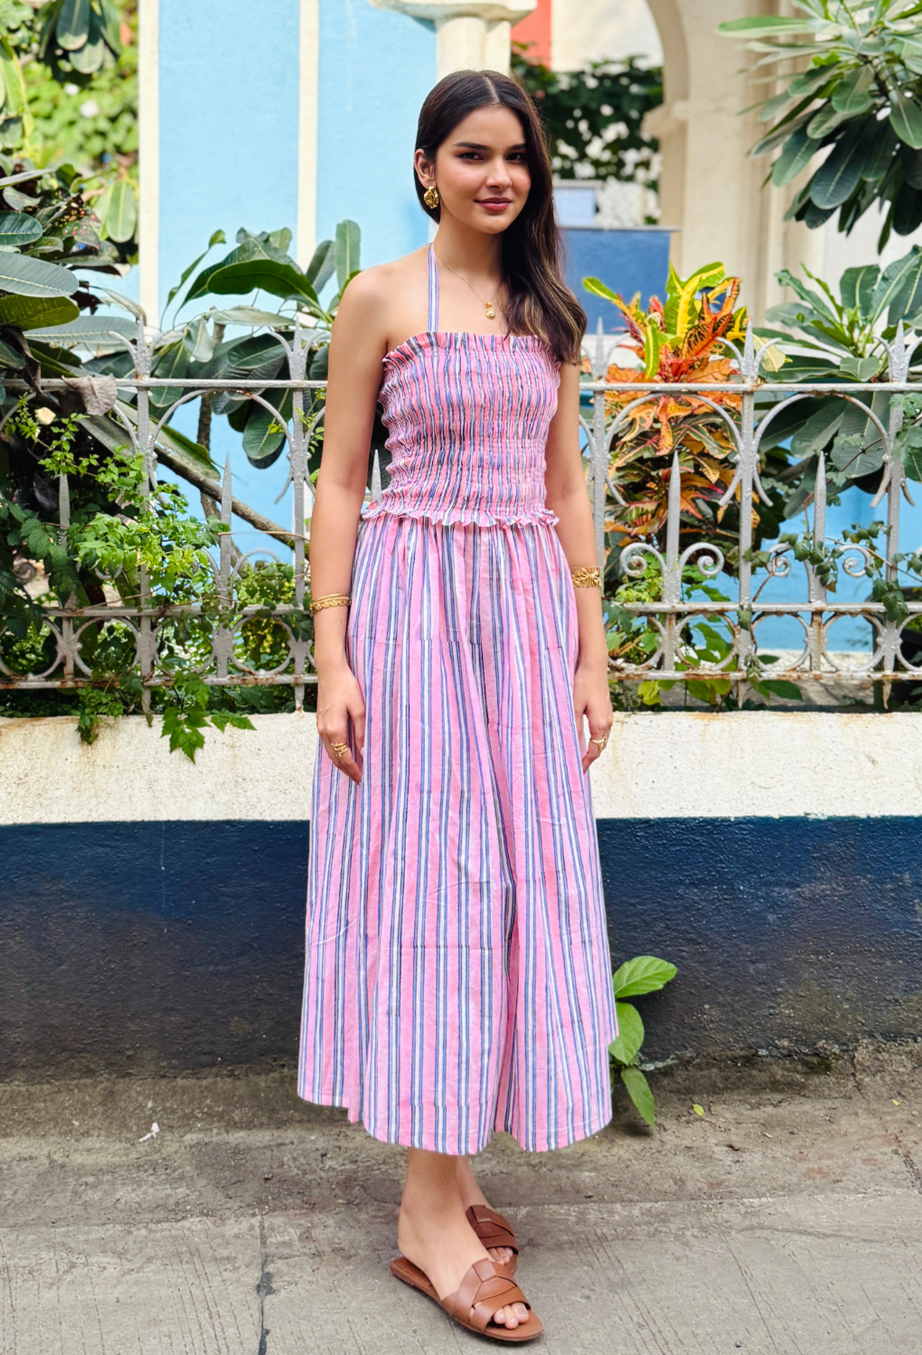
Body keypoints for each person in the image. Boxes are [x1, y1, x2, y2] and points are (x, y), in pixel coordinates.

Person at [298, 68, 617, 1344]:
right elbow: (335, 482)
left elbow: (567, 488)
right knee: (436, 884)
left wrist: (593, 652)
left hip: (526, 621)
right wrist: (332, 655)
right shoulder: (379, 299)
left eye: (518, 157)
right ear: (427, 163)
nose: (499, 176)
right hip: (415, 616)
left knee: (512, 884)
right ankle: (426, 1222)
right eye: (474, 153)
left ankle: (460, 1173)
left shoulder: (546, 309)